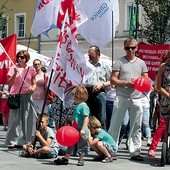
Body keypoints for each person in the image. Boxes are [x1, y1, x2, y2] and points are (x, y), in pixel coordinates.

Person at [108, 38, 148, 161]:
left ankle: (135, 152)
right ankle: (110, 150)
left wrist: (139, 82)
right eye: (127, 48)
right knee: (115, 124)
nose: (130, 50)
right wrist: (125, 83)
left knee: (136, 126)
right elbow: (113, 80)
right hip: (122, 96)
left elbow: (146, 79)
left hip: (136, 97)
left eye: (132, 47)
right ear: (124, 48)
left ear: (137, 48)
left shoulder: (141, 63)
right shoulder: (119, 62)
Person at [5, 50, 37, 147]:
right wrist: (15, 73)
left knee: (27, 119)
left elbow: (34, 83)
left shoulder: (31, 69)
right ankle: (12, 141)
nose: (19, 59)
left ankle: (25, 141)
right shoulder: (13, 68)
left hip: (27, 95)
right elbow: (9, 83)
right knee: (15, 119)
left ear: (26, 59)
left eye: (22, 57)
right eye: (18, 57)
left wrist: (33, 88)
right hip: (16, 96)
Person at [54, 85, 90, 166]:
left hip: (82, 130)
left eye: (74, 96)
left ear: (79, 96)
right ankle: (66, 158)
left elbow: (86, 118)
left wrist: (83, 129)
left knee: (82, 145)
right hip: (75, 129)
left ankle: (81, 158)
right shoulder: (77, 106)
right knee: (71, 144)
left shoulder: (84, 106)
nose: (73, 98)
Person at [148, 51, 170, 157]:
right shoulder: (163, 67)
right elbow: (157, 86)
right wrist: (168, 95)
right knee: (163, 124)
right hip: (165, 99)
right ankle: (157, 147)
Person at [85, 45, 111, 124]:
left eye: (91, 53)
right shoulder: (86, 65)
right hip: (87, 92)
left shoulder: (105, 65)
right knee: (88, 116)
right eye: (88, 53)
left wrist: (102, 84)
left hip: (100, 92)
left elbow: (111, 81)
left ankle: (101, 133)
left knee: (101, 117)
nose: (89, 55)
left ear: (97, 53)